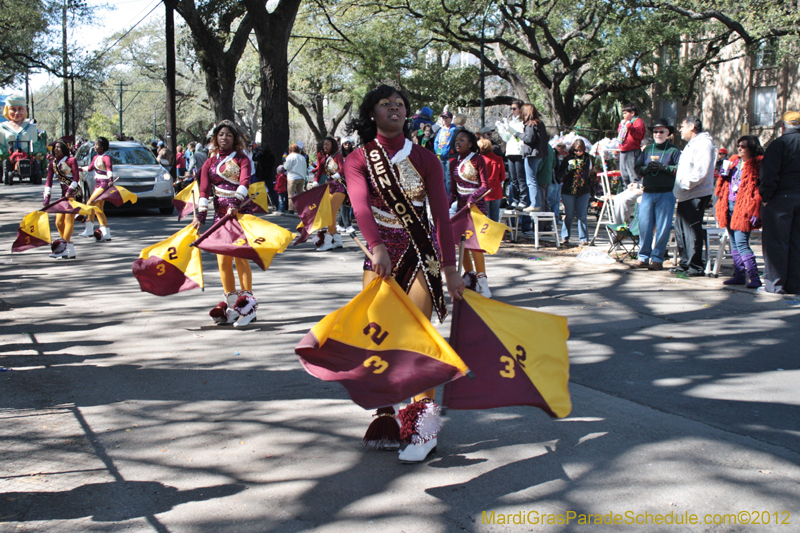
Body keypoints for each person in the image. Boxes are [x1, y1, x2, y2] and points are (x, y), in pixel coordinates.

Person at [344, 85, 464, 463]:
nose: (394, 109)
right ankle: (387, 412)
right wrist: (377, 247)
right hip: (380, 252)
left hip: (419, 251)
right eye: (386, 104)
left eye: (400, 105)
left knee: (417, 336)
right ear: (372, 113)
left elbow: (442, 216)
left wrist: (450, 267)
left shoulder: (426, 158)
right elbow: (361, 207)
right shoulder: (358, 158)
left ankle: (423, 426)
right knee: (380, 337)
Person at [192, 120, 258, 327]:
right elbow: (203, 190)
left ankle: (247, 307)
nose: (224, 138)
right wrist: (200, 217)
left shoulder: (242, 159)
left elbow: (244, 182)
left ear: (235, 139)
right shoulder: (209, 163)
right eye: (221, 134)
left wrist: (236, 203)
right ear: (215, 138)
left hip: (239, 213)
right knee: (222, 261)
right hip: (219, 215)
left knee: (240, 258)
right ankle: (231, 305)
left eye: (229, 135)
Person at [631, 119, 681, 270]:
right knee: (644, 225)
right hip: (648, 192)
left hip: (666, 193)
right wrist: (647, 169)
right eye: (655, 132)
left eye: (661, 131)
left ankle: (658, 258)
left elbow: (679, 169)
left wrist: (664, 168)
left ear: (668, 134)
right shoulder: (647, 149)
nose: (658, 134)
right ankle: (643, 257)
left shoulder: (673, 150)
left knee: (663, 227)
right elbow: (637, 167)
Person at [759, 110, 800, 294]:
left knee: (776, 242)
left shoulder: (779, 144)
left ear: (783, 127)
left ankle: (774, 284)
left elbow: (769, 174)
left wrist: (766, 197)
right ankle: (794, 284)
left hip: (780, 198)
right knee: (796, 242)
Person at [715, 135, 764, 288]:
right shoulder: (734, 162)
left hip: (744, 207)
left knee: (742, 243)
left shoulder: (757, 164)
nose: (740, 149)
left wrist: (757, 211)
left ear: (752, 148)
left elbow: (758, 190)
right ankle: (739, 275)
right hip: (728, 205)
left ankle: (755, 278)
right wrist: (723, 173)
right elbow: (721, 184)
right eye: (738, 146)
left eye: (744, 146)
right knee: (733, 243)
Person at [672, 115, 715, 275]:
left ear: (692, 127)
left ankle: (695, 266)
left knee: (691, 230)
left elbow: (701, 170)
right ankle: (685, 263)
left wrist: (685, 185)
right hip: (685, 194)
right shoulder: (692, 144)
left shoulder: (704, 143)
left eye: (682, 126)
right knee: (681, 230)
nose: (680, 130)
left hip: (695, 193)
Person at [450, 129, 491, 297]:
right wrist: (445, 206)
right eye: (456, 140)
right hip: (461, 207)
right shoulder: (453, 163)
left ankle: (482, 280)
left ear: (470, 143)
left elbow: (485, 185)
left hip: (476, 206)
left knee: (475, 243)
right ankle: (469, 276)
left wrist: (472, 198)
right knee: (461, 243)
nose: (458, 142)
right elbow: (453, 190)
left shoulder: (478, 159)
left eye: (462, 139)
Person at [43, 140, 81, 259]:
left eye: (59, 147)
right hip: (63, 195)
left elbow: (76, 178)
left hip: (74, 193)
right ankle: (68, 247)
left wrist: (70, 190)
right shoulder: (52, 164)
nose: (56, 149)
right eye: (55, 147)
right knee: (58, 222)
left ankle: (63, 247)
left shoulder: (71, 160)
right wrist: (46, 197)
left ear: (64, 149)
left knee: (68, 220)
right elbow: (48, 182)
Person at [310, 136, 347, 251]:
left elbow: (343, 169)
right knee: (328, 213)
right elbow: (319, 171)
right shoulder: (324, 157)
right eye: (324, 144)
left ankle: (327, 242)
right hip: (330, 188)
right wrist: (315, 182)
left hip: (341, 188)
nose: (325, 146)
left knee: (331, 213)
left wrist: (333, 177)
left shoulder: (338, 156)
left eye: (328, 144)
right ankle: (337, 240)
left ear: (333, 145)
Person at [0, 94, 46, 182]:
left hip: (26, 156)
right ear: (7, 110)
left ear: (24, 110)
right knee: (6, 164)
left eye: (20, 109)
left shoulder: (31, 127)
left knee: (35, 164)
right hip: (11, 158)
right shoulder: (2, 127)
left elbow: (36, 146)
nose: (17, 113)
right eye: (13, 109)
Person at [558, 139, 592, 246]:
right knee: (569, 215)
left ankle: (583, 238)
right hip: (568, 190)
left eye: (580, 150)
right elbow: (560, 175)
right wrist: (568, 169)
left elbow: (588, 173)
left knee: (582, 216)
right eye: (576, 150)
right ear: (573, 149)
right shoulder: (568, 159)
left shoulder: (587, 159)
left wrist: (581, 167)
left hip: (583, 190)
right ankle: (565, 236)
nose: (578, 152)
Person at [80, 137, 114, 242]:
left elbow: (109, 169)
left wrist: (110, 179)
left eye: (97, 145)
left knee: (90, 203)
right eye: (94, 144)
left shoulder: (106, 157)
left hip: (103, 184)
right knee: (98, 208)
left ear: (103, 146)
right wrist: (77, 168)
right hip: (97, 183)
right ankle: (106, 233)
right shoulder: (95, 157)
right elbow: (89, 168)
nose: (95, 147)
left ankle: (89, 229)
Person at [520, 103, 549, 212]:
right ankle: (535, 203)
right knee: (532, 179)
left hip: (531, 154)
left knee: (530, 180)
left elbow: (529, 139)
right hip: (539, 154)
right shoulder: (540, 124)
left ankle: (534, 203)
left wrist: (518, 134)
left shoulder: (530, 125)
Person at [617, 103, 646, 187]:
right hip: (623, 150)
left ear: (632, 113)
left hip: (632, 150)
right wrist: (621, 125)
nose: (623, 115)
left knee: (632, 173)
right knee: (624, 173)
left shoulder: (638, 122)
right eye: (623, 113)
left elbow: (639, 135)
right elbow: (620, 133)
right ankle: (626, 189)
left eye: (625, 113)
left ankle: (635, 191)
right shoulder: (625, 122)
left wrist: (630, 126)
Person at [478, 138, 506, 222]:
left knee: (484, 219)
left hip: (482, 191)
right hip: (496, 190)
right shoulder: (498, 159)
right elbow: (503, 177)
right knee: (495, 218)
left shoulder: (478, 160)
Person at [434, 111, 456, 194]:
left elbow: (452, 143)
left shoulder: (453, 129)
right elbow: (436, 141)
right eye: (443, 118)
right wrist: (437, 151)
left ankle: (449, 197)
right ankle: (442, 195)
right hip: (440, 156)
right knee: (441, 177)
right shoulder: (441, 130)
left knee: (449, 178)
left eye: (446, 118)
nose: (444, 120)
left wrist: (448, 152)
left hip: (448, 157)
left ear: (450, 119)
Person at [284, 143, 307, 214]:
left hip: (292, 177)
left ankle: (291, 209)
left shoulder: (290, 156)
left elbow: (286, 167)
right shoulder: (302, 157)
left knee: (291, 194)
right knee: (299, 195)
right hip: (301, 177)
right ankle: (299, 209)